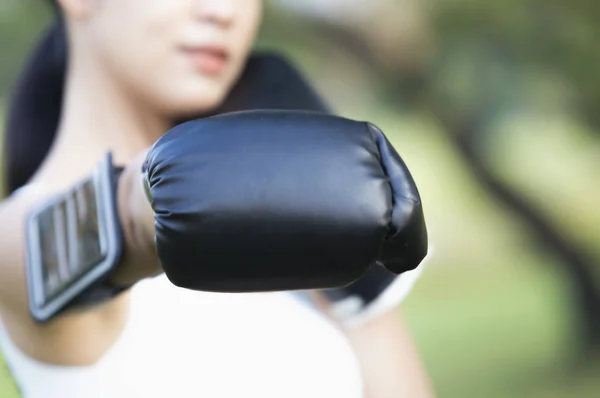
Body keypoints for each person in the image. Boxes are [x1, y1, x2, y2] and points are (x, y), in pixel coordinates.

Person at [0, 1, 434, 397]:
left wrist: (368, 292)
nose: (225, 11)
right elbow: (94, 232)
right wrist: (150, 196)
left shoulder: (270, 216)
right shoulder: (16, 240)